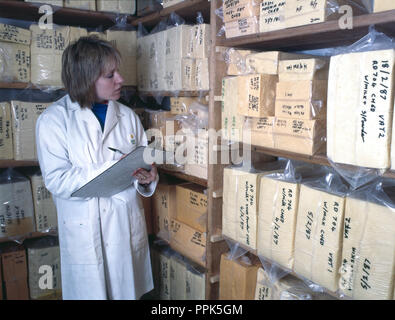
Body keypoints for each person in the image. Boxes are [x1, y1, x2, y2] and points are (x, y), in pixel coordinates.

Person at [36, 36, 158, 300]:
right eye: (109, 75)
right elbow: (57, 180)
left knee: (127, 292)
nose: (120, 80)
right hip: (84, 230)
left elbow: (142, 165)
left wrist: (146, 178)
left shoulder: (128, 117)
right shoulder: (54, 121)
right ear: (85, 78)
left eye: (118, 72)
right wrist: (110, 169)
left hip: (123, 227)